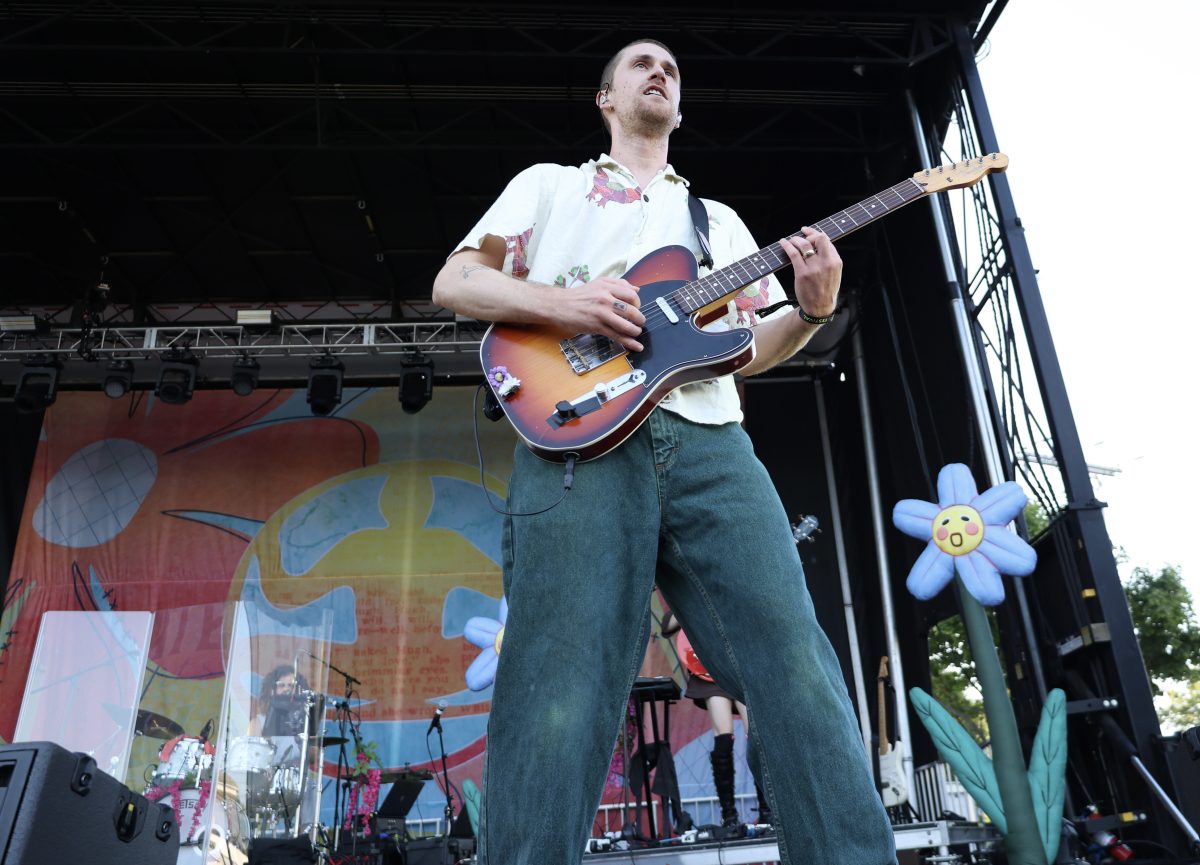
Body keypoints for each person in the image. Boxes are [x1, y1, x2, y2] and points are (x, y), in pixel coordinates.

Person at [431, 37, 897, 865]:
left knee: (797, 661)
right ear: (606, 98)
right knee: (556, 685)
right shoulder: (549, 186)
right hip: (578, 444)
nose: (661, 72)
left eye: (672, 70)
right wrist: (567, 305)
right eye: (641, 64)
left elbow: (748, 347)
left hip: (713, 444)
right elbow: (456, 282)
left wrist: (811, 311)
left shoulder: (717, 224)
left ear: (679, 107)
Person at [660, 608, 771, 834]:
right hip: (708, 670)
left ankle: (767, 809)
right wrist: (691, 604)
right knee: (723, 737)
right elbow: (666, 626)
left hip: (739, 666)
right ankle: (729, 815)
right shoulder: (691, 597)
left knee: (755, 736)